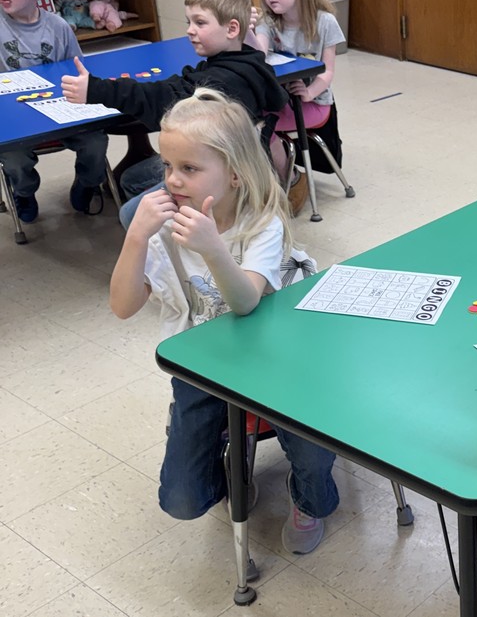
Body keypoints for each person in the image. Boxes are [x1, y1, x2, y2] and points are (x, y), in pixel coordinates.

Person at [108, 87, 337, 554]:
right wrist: (135, 237)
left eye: (189, 168)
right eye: (167, 166)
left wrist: (212, 248)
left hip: (277, 362)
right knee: (182, 502)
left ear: (234, 175)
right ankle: (225, 466)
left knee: (312, 455)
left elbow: (245, 302)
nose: (172, 180)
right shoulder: (164, 228)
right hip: (202, 366)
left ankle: (308, 501)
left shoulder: (262, 223)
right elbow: (123, 306)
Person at [61, 0, 288, 227]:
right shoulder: (249, 62)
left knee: (130, 215)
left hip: (228, 179)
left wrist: (95, 89)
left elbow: (162, 99)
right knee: (131, 178)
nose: (190, 30)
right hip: (240, 165)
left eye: (200, 23)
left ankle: (181, 245)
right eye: (189, 22)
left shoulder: (217, 82)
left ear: (232, 29)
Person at [0, 0, 108, 222]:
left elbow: (79, 72)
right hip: (14, 118)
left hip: (58, 109)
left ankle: (87, 184)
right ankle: (23, 192)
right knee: (12, 156)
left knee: (96, 140)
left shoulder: (58, 27)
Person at [249, 0, 345, 207]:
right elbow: (258, 53)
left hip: (313, 104)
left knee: (259, 126)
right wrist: (248, 30)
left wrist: (311, 92)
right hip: (281, 101)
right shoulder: (268, 23)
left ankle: (290, 179)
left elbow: (328, 71)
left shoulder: (325, 22)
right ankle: (270, 177)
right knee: (245, 119)